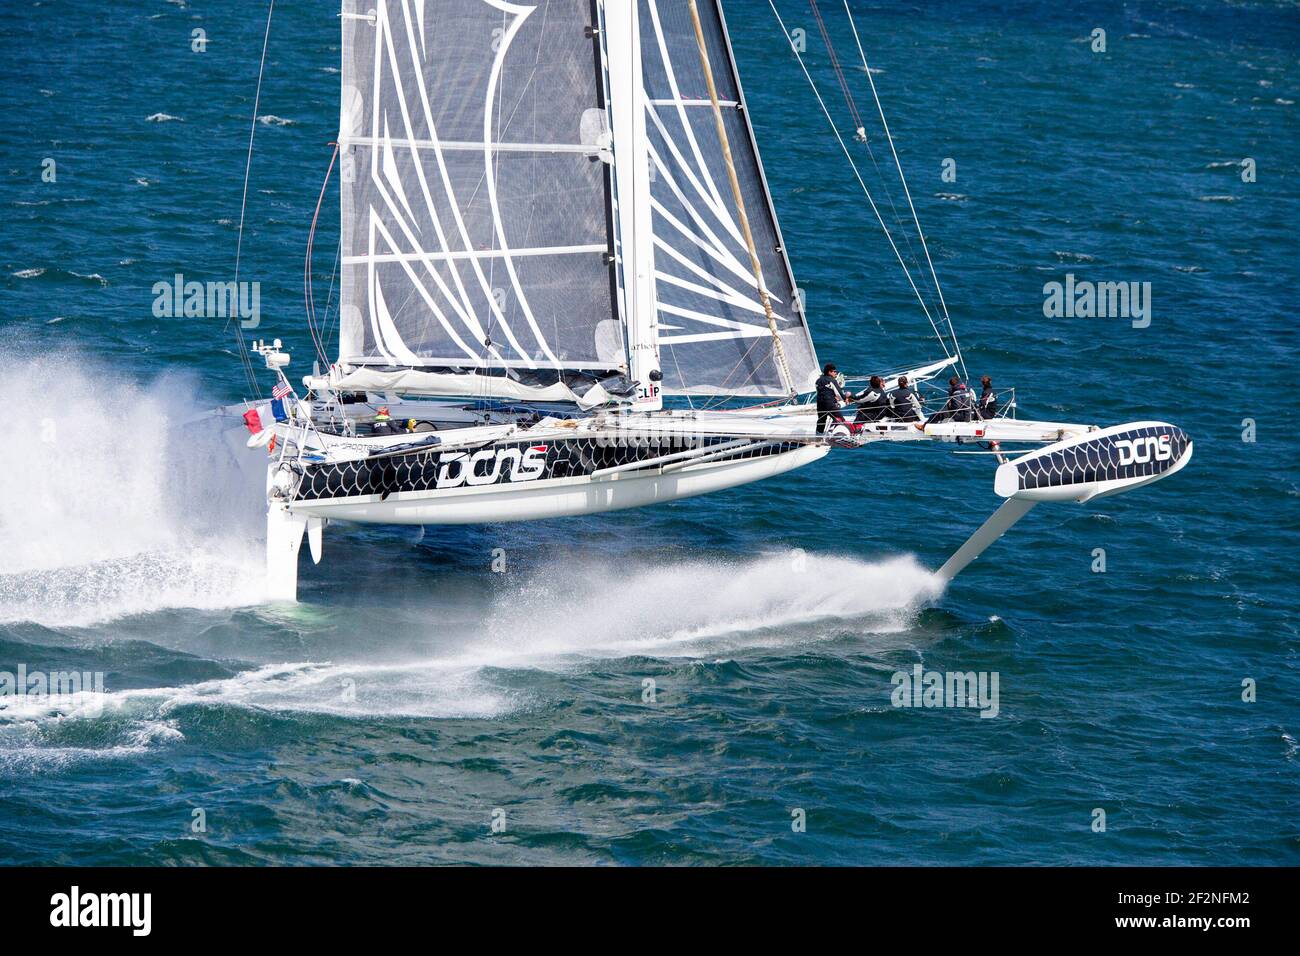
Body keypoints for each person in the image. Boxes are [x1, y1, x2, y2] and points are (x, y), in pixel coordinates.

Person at [814, 362, 849, 435]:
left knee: (821, 420)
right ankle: (832, 433)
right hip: (829, 404)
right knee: (840, 419)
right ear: (829, 372)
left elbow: (822, 391)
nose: (836, 373)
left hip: (820, 404)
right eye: (834, 371)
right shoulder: (832, 380)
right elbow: (839, 392)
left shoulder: (818, 380)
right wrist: (845, 399)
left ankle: (818, 436)